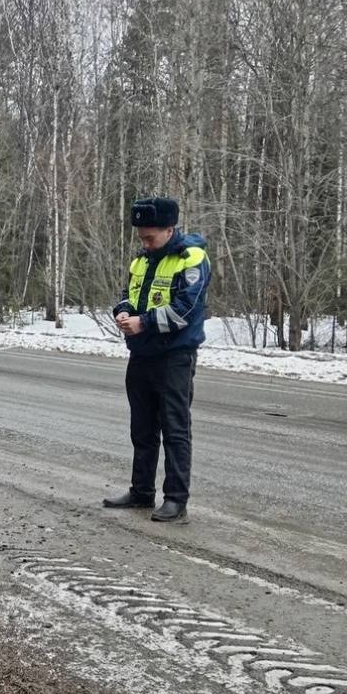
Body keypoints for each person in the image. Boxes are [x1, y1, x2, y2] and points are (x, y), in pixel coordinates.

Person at [104, 197, 210, 523]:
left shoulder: (190, 258)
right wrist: (122, 312)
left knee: (175, 430)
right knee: (142, 428)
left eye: (150, 237)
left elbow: (185, 310)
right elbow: (129, 293)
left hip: (174, 357)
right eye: (141, 237)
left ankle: (176, 500)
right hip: (141, 355)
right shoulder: (142, 260)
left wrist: (143, 322)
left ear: (169, 229)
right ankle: (141, 492)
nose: (145, 243)